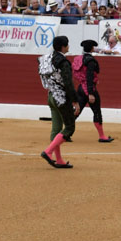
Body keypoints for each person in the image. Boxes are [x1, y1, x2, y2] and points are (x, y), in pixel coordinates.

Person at [38, 36, 79, 169]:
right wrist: (75, 100)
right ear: (63, 47)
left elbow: (43, 77)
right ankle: (48, 152)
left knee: (56, 128)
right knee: (69, 127)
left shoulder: (46, 58)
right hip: (61, 98)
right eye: (67, 45)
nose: (68, 47)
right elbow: (68, 83)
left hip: (51, 96)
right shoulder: (64, 62)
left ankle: (59, 159)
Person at [73, 40, 114, 143]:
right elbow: (90, 76)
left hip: (81, 88)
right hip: (89, 88)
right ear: (92, 48)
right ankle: (102, 136)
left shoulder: (78, 59)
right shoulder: (90, 61)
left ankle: (65, 133)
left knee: (77, 111)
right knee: (96, 112)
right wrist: (90, 93)